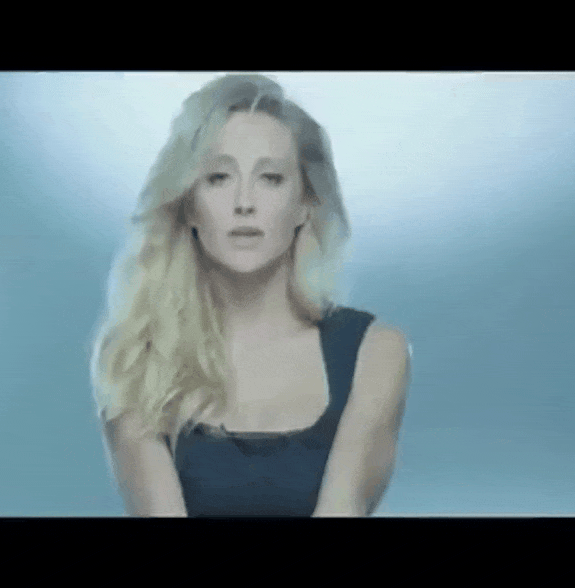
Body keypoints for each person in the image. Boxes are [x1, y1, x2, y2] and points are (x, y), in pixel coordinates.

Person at [88, 74, 411, 517]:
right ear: (187, 203)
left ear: (305, 204)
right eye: (218, 177)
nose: (244, 202)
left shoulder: (375, 352)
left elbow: (344, 505)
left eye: (271, 178)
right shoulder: (135, 356)